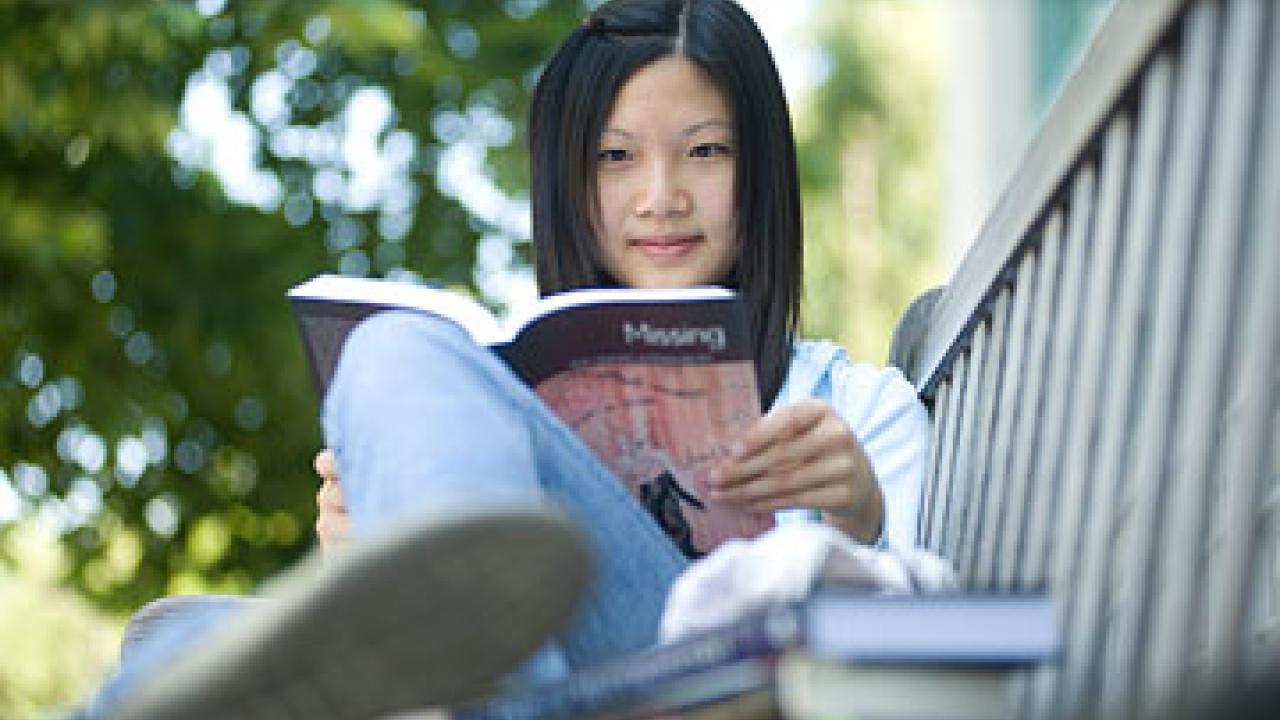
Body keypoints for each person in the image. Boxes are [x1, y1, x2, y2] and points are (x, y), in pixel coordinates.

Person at [85, 1, 930, 718]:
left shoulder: (861, 407)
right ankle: (412, 587)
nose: (660, 195)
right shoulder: (514, 398)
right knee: (394, 348)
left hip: (717, 685)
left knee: (400, 354)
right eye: (615, 156)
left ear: (762, 172)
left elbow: (945, 653)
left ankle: (407, 607)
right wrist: (372, 531)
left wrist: (863, 519)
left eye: (705, 150)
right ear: (570, 182)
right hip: (547, 685)